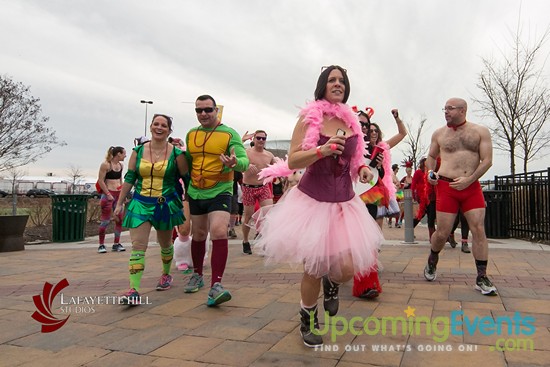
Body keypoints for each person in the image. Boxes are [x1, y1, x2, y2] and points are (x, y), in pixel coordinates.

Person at [254, 65, 383, 347]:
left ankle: (333, 284)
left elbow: (355, 156)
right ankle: (308, 320)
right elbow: (293, 160)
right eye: (332, 80)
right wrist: (321, 150)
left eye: (342, 81)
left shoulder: (352, 122)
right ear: (323, 85)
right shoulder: (309, 117)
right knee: (313, 266)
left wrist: (361, 167)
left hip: (345, 203)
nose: (337, 84)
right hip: (312, 201)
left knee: (346, 269)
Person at [423, 97, 496, 296]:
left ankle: (481, 276)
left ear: (463, 110)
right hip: (446, 186)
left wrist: (470, 179)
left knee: (478, 229)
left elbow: (487, 160)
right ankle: (432, 258)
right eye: (444, 108)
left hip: (471, 187)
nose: (446, 112)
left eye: (450, 108)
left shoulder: (480, 131)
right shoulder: (439, 133)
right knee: (442, 233)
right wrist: (430, 172)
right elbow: (431, 156)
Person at [114, 114, 188, 305]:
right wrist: (120, 202)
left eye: (164, 125)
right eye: (156, 124)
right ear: (151, 127)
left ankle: (165, 274)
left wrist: (190, 202)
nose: (159, 127)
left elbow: (186, 179)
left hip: (165, 203)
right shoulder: (138, 151)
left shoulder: (177, 154)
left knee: (165, 244)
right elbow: (130, 177)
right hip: (140, 202)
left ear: (169, 130)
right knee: (138, 246)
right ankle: (134, 290)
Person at [183, 94, 249, 307]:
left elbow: (244, 162)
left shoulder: (229, 134)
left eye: (207, 110)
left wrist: (234, 162)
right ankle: (197, 274)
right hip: (196, 191)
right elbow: (189, 162)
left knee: (219, 231)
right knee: (199, 233)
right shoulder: (191, 134)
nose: (203, 114)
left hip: (220, 189)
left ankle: (216, 285)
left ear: (216, 111)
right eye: (198, 110)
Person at [352, 108, 406, 300]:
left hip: (369, 196)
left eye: (366, 125)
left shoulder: (378, 149)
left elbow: (377, 176)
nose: (365, 128)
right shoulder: (346, 143)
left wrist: (376, 166)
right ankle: (334, 275)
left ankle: (366, 284)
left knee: (367, 238)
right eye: (360, 124)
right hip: (345, 198)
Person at [241, 130, 277, 254]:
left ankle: (265, 241)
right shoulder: (246, 152)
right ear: (254, 139)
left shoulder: (269, 155)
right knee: (248, 216)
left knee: (267, 215)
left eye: (263, 138)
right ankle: (245, 241)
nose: (261, 141)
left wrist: (279, 165)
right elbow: (234, 154)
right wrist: (242, 140)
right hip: (248, 187)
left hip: (263, 187)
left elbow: (279, 167)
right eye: (258, 138)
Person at [96, 146, 127, 253]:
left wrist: (123, 194)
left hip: (118, 195)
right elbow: (100, 180)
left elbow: (120, 180)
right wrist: (108, 194)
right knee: (105, 221)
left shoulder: (120, 165)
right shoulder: (106, 165)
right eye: (124, 153)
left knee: (119, 220)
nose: (125, 156)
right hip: (108, 195)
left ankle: (116, 243)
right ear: (118, 154)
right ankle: (101, 244)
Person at [388, 163, 402, 228]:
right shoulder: (391, 175)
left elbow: (399, 185)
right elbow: (390, 183)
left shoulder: (396, 176)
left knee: (399, 208)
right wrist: (396, 184)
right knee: (393, 208)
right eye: (397, 169)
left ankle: (396, 222)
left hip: (398, 193)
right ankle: (390, 221)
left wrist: (399, 185)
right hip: (393, 193)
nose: (398, 170)